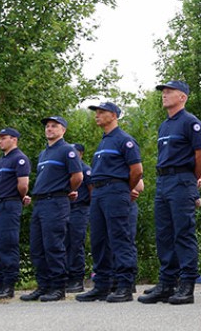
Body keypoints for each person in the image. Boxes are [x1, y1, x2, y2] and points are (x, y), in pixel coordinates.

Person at [139, 81, 201, 305]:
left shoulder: (190, 122)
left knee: (183, 232)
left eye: (169, 92)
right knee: (164, 233)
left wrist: (191, 178)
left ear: (183, 97)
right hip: (163, 181)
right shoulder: (164, 126)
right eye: (163, 92)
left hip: (181, 180)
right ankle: (167, 283)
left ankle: (187, 284)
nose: (164, 95)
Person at [76, 102, 143, 303]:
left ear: (113, 115)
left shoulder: (124, 140)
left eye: (101, 112)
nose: (97, 115)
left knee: (119, 238)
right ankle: (103, 284)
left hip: (116, 190)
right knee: (98, 239)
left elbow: (137, 170)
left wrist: (125, 188)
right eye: (96, 112)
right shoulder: (103, 142)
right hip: (99, 192)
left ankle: (124, 284)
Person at [21, 116, 84, 302]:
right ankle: (43, 285)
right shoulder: (44, 154)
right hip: (40, 203)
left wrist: (67, 190)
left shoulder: (67, 150)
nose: (49, 129)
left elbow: (77, 176)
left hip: (56, 202)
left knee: (53, 245)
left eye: (54, 126)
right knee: (37, 246)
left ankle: (58, 287)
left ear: (63, 130)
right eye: (47, 126)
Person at [0, 128, 30, 299]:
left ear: (14, 140)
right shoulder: (1, 161)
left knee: (7, 245)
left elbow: (23, 185)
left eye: (3, 138)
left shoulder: (19, 159)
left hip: (9, 205)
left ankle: (8, 285)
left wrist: (17, 198)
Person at [65, 144, 92, 293]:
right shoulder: (67, 170)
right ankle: (66, 277)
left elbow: (92, 191)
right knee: (64, 243)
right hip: (66, 209)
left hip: (80, 208)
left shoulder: (85, 169)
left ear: (80, 154)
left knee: (76, 243)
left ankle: (76, 279)